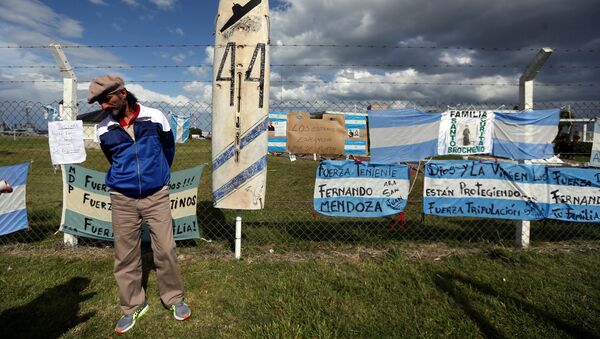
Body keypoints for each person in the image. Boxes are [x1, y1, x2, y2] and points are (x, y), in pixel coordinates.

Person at [88, 75, 190, 334]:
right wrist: (129, 180)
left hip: (156, 195)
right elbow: (113, 158)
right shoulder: (103, 128)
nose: (102, 105)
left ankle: (174, 298)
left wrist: (157, 176)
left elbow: (168, 150)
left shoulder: (155, 117)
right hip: (122, 199)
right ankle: (133, 306)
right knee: (125, 256)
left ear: (122, 93)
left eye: (106, 98)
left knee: (165, 248)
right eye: (99, 101)